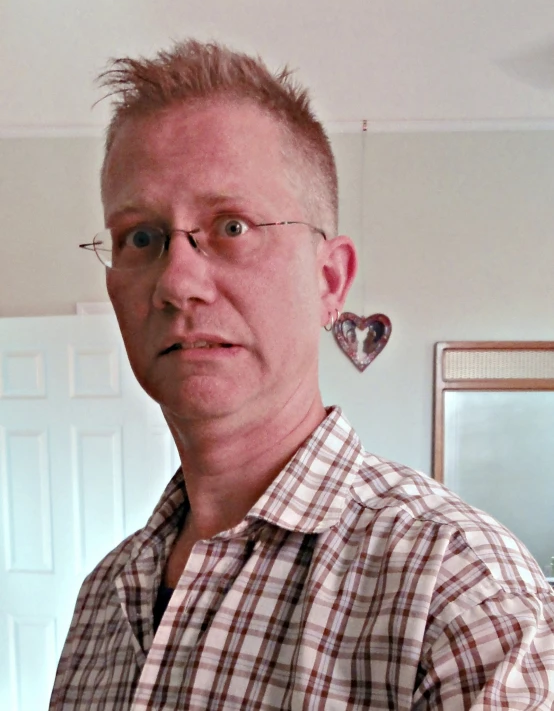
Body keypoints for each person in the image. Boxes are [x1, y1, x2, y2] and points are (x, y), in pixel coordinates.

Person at [50, 39, 553, 710]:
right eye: (141, 236)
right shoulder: (101, 599)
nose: (175, 281)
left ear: (329, 281)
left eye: (230, 225)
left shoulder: (460, 591)